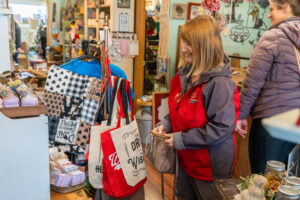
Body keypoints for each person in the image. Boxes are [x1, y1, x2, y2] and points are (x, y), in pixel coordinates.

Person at [153, 15, 240, 200]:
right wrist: (165, 124)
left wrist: (180, 139)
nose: (184, 48)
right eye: (184, 42)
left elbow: (222, 128)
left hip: (209, 169)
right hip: (185, 161)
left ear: (205, 45)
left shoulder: (220, 84)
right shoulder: (186, 75)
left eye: (190, 43)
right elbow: (178, 110)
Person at [235, 0, 300, 174]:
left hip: (271, 119)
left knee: (262, 178)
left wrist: (241, 115)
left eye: (271, 9)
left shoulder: (274, 37)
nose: (269, 14)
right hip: (296, 120)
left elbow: (252, 82)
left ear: (286, 6)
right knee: (284, 178)